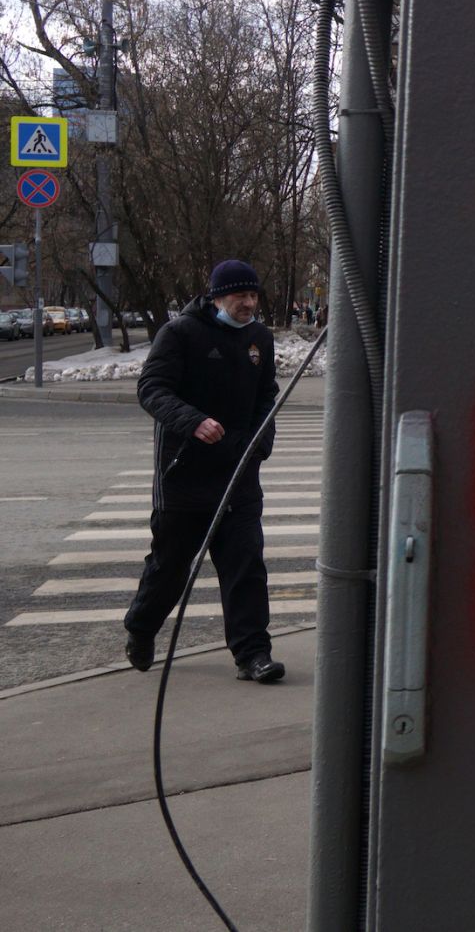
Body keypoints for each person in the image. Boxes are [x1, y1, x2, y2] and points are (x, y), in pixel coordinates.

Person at [123, 260, 285, 684]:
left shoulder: (258, 339)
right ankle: (141, 627)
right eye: (240, 296)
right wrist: (192, 421)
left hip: (239, 473)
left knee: (245, 563)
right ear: (217, 296)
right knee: (171, 565)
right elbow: (151, 389)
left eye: (253, 296)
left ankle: (253, 654)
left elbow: (267, 395)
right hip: (185, 475)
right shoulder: (180, 334)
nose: (249, 303)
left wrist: (261, 441)